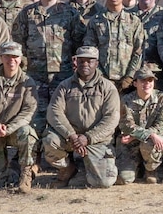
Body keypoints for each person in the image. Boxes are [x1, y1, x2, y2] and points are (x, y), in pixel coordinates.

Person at [42, 45, 122, 188]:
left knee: (103, 182)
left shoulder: (108, 88)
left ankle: (85, 169)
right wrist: (72, 135)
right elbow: (54, 112)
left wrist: (88, 137)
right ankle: (67, 169)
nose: (85, 64)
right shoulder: (64, 86)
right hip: (71, 138)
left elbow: (111, 119)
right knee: (50, 140)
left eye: (89, 61)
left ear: (96, 63)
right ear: (76, 62)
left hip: (96, 140)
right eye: (81, 61)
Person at [0, 42, 39, 191]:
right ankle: (6, 174)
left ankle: (26, 175)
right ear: (1, 58)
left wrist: (9, 128)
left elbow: (29, 111)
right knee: (0, 183)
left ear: (20, 58)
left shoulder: (27, 82)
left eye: (15, 57)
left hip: (14, 131)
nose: (11, 60)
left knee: (28, 134)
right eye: (7, 56)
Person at [115, 64, 163, 184]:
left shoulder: (162, 98)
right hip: (131, 143)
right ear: (135, 83)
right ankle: (138, 167)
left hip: (151, 141)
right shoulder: (126, 100)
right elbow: (126, 125)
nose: (147, 83)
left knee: (150, 142)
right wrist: (147, 135)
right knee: (125, 179)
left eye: (150, 80)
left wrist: (138, 135)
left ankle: (151, 170)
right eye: (143, 80)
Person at [86, 0, 149, 88]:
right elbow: (90, 51)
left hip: (128, 83)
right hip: (102, 81)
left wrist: (130, 77)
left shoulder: (134, 21)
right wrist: (100, 75)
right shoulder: (95, 21)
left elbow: (138, 51)